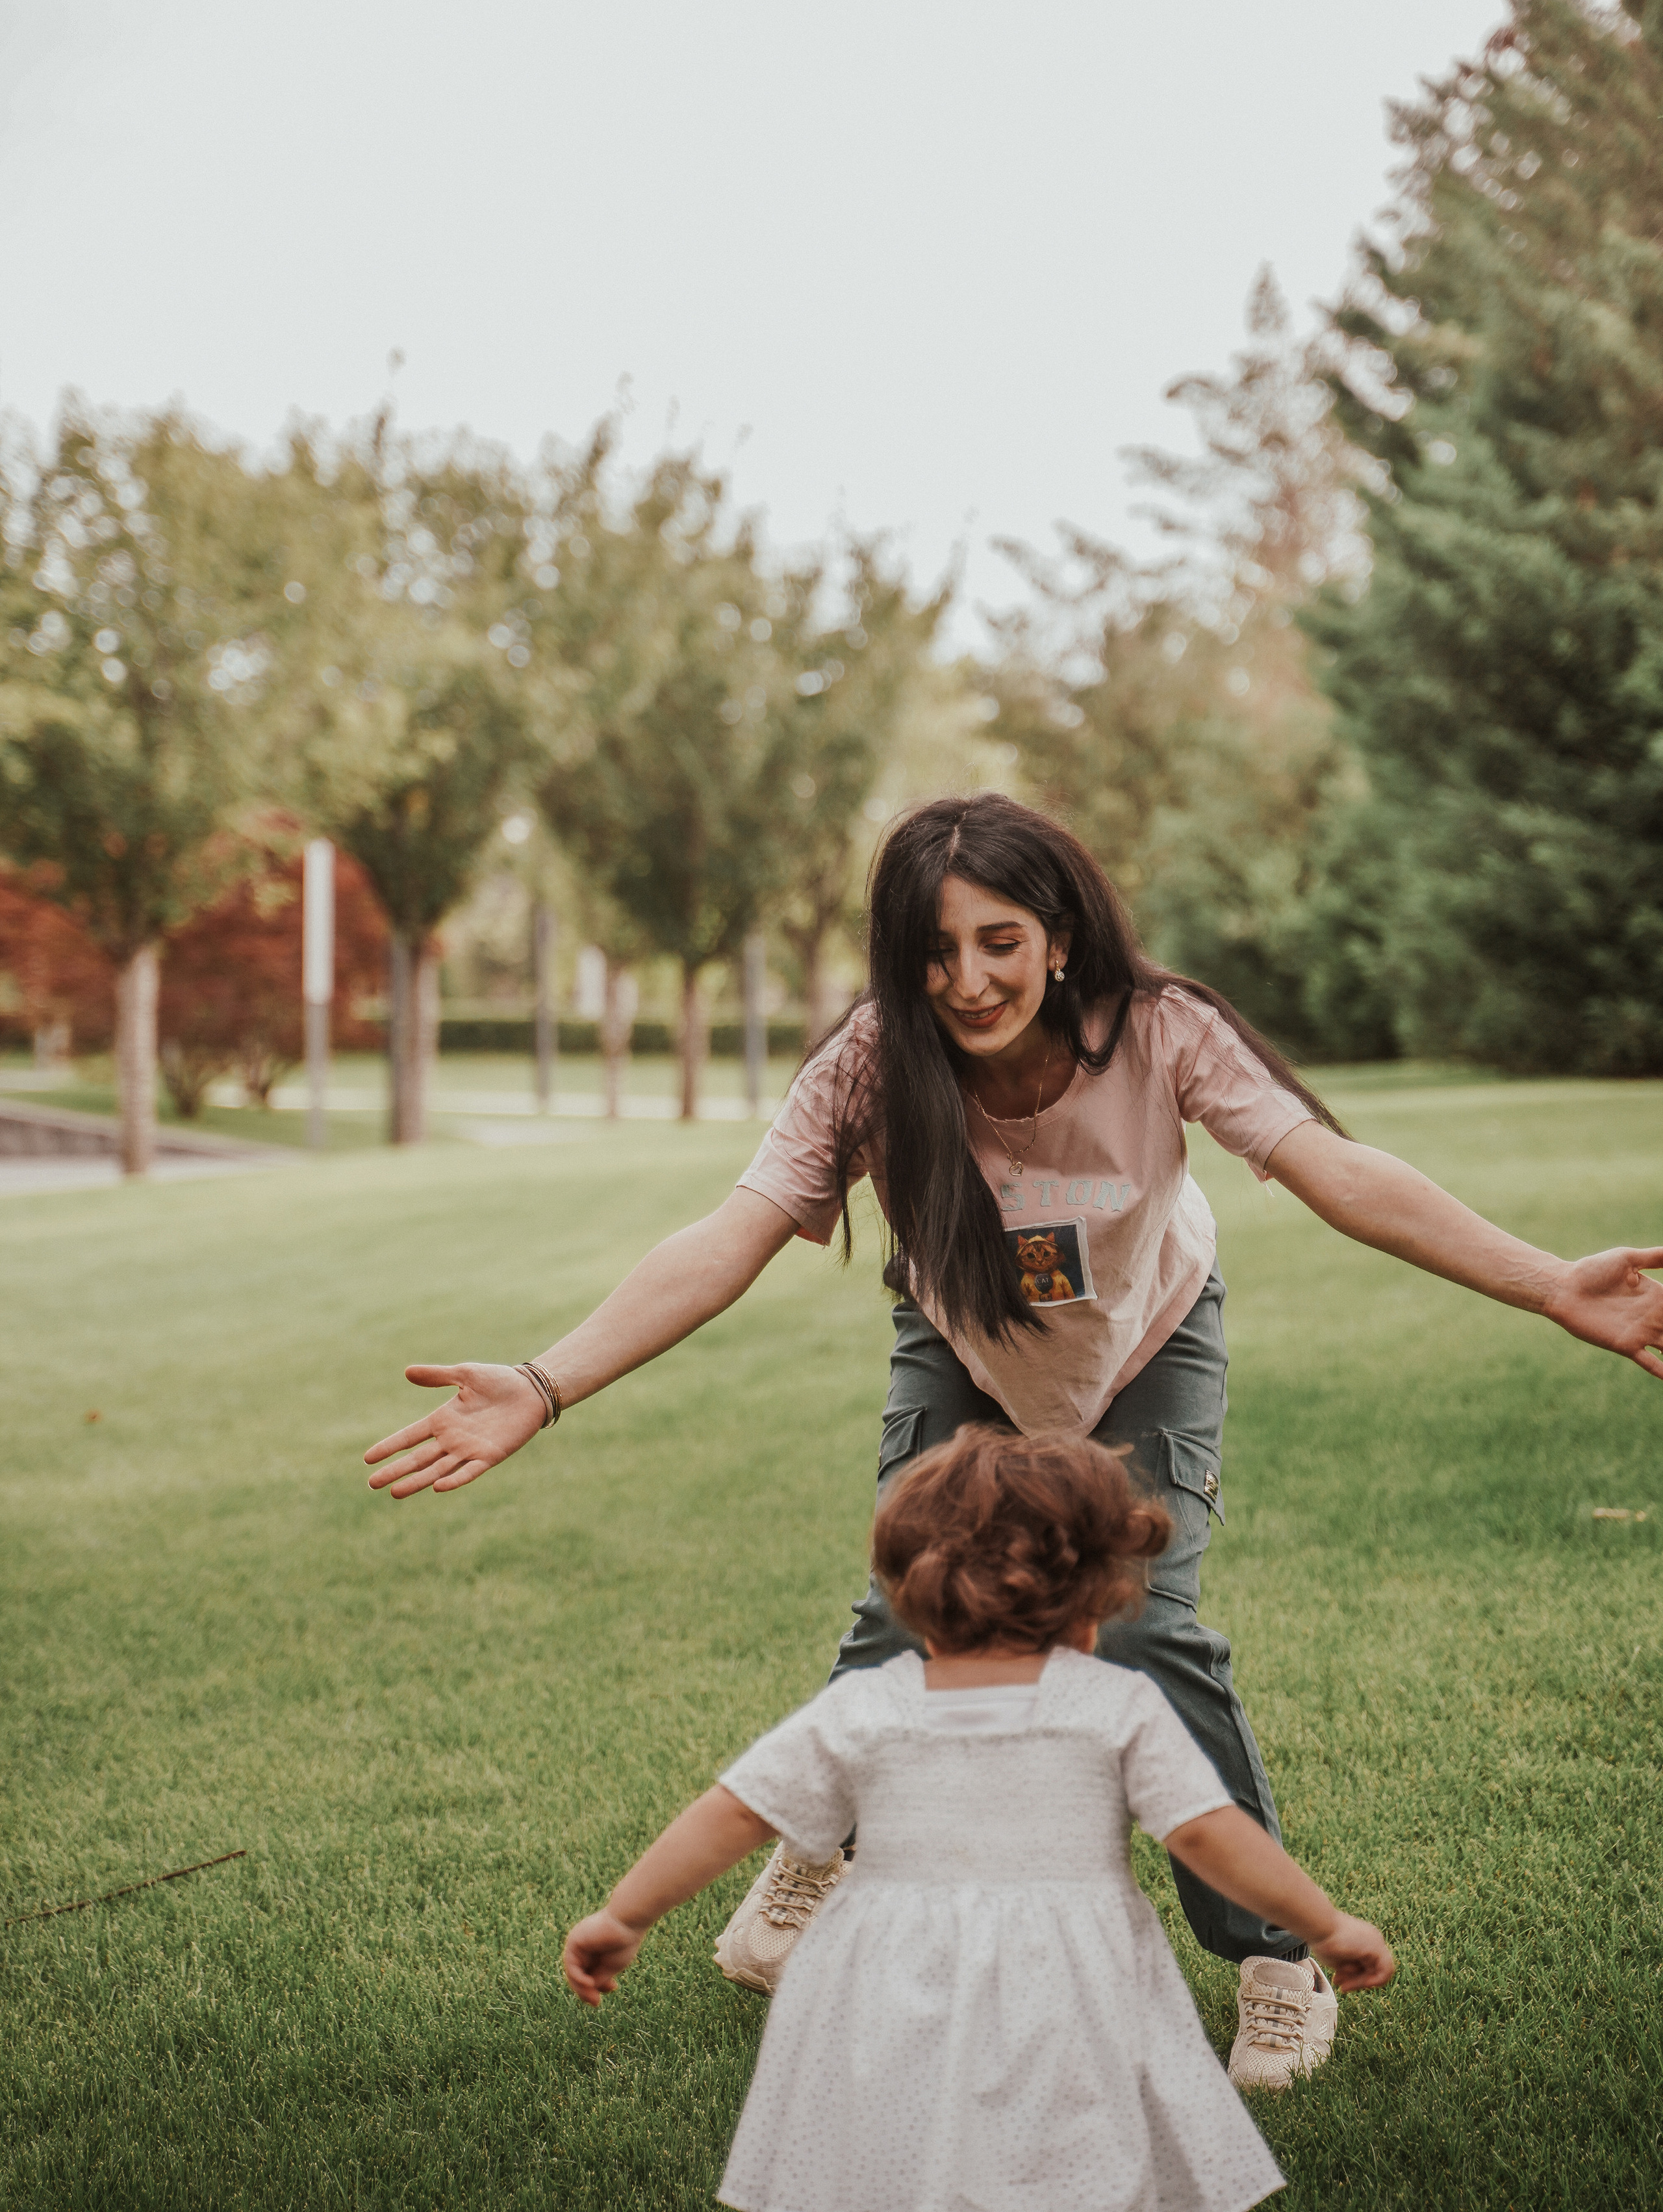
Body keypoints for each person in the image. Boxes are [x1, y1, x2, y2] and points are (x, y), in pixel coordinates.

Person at [364, 792, 1663, 2083]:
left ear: (1055, 932)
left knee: (1143, 1631)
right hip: (966, 1339)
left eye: (996, 941)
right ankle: (823, 1845)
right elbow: (729, 1238)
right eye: (931, 951)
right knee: (909, 1614)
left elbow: (1333, 1170)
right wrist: (544, 1383)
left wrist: (1543, 1279)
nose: (967, 980)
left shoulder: (1158, 1034)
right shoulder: (872, 1064)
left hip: (1144, 1340)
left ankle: (1274, 1961)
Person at [562, 1429, 1395, 2212]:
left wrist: (624, 1915)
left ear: (907, 1588)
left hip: (887, 1982)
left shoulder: (864, 1708)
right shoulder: (1116, 1709)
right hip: (1066, 1979)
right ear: (1096, 1600)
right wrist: (1321, 1924)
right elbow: (1208, 1834)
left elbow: (737, 1812)